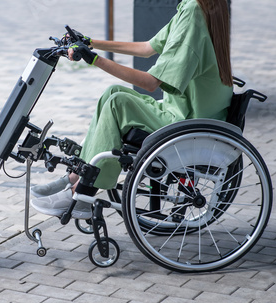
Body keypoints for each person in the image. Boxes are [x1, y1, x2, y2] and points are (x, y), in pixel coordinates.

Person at [31, 0, 233, 219]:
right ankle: (76, 176)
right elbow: (146, 48)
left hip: (188, 123)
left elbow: (150, 83)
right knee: (113, 92)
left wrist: (94, 60)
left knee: (118, 103)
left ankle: (83, 193)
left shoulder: (194, 10)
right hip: (196, 117)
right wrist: (90, 42)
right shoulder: (202, 5)